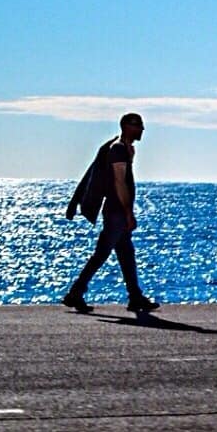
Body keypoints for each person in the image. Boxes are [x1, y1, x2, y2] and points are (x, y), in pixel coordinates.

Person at [63, 112, 158, 315]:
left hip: (118, 211)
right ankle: (75, 293)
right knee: (102, 253)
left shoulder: (123, 149)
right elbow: (119, 182)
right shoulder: (117, 150)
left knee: (126, 253)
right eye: (138, 126)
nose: (141, 130)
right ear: (126, 126)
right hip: (116, 211)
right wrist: (128, 213)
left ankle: (135, 296)